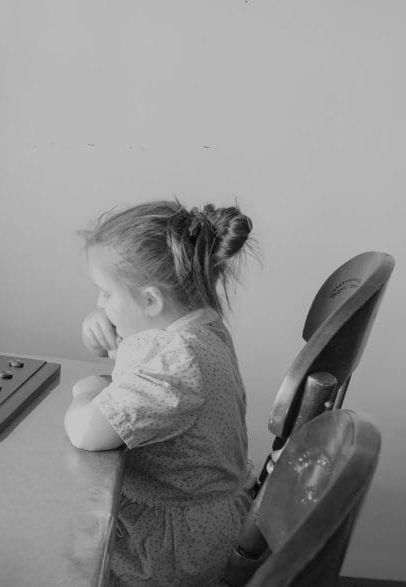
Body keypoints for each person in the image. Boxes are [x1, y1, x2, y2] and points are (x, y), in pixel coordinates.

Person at [63, 200, 254, 586]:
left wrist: (87, 389)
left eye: (105, 293)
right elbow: (136, 355)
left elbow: (87, 432)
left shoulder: (176, 364)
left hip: (175, 548)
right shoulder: (198, 325)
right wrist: (102, 323)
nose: (99, 303)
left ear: (151, 300)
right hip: (199, 517)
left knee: (63, 554)